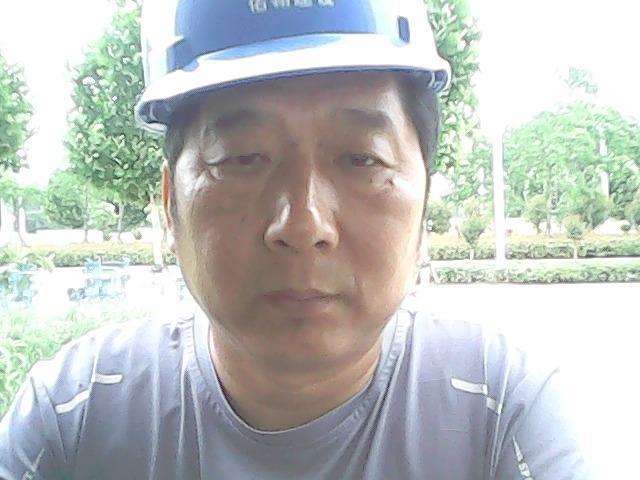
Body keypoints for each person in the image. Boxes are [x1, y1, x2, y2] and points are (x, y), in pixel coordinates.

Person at [0, 0, 591, 478]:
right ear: (171, 201)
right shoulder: (77, 416)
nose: (304, 226)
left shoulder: (499, 411)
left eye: (362, 159)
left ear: (424, 196)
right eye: (241, 158)